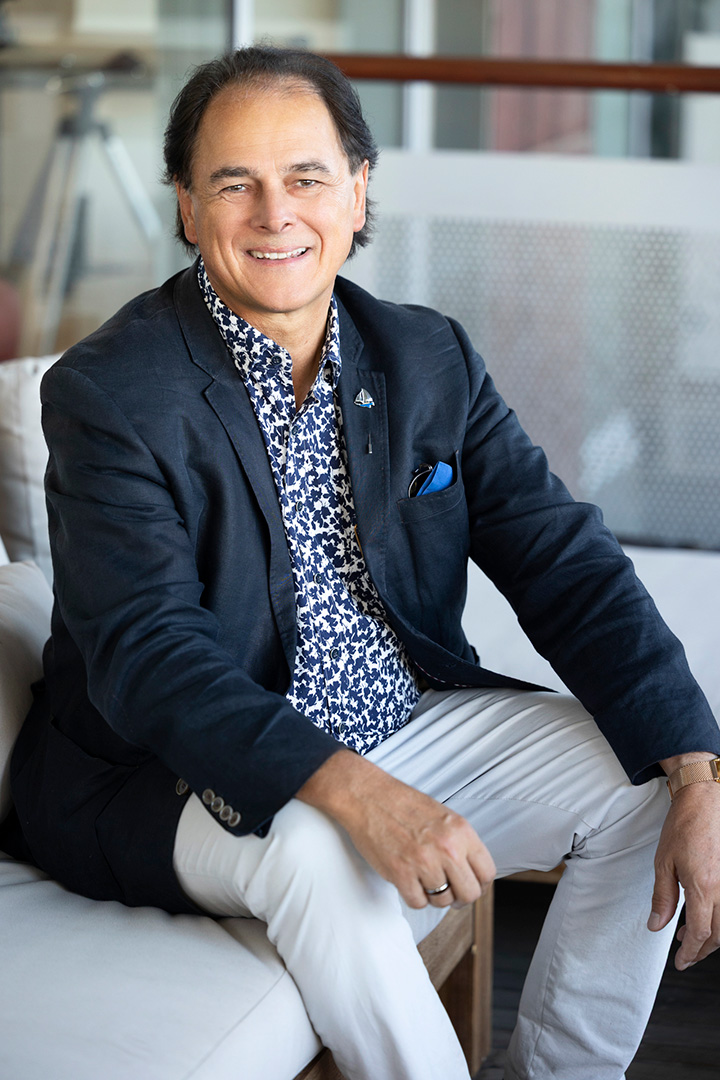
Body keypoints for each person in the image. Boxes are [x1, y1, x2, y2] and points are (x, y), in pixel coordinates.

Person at [5, 45, 720, 1080]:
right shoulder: (110, 394)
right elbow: (149, 655)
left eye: (305, 177)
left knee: (642, 778)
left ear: (358, 190)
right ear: (187, 207)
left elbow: (564, 557)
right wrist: (350, 792)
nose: (274, 214)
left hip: (399, 723)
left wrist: (697, 767)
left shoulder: (426, 357)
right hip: (168, 777)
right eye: (233, 183)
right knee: (315, 853)